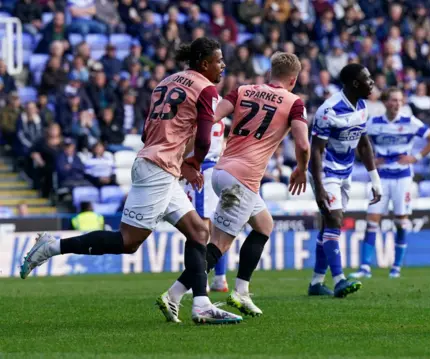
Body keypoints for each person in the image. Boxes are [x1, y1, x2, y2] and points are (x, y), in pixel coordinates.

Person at [19, 37, 242, 325]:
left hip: (155, 162)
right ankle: (52, 246)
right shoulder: (206, 89)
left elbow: (145, 134)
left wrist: (179, 161)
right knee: (128, 241)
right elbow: (203, 136)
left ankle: (195, 302)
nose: (222, 66)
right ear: (204, 63)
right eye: (218, 61)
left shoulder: (165, 83)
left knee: (199, 233)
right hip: (159, 168)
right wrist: (194, 162)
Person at [161, 51, 310, 319]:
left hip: (220, 171)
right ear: (294, 78)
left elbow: (210, 119)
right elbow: (302, 144)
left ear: (270, 72)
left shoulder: (243, 90)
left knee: (264, 225)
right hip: (244, 178)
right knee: (218, 245)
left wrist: (189, 155)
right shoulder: (294, 102)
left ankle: (241, 291)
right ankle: (174, 294)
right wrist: (301, 168)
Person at [349, 87, 430, 279]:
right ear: (385, 102)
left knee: (401, 221)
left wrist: (415, 157)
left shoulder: (410, 122)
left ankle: (396, 267)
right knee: (372, 220)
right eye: (393, 100)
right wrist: (370, 159)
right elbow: (355, 141)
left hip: (402, 177)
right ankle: (365, 267)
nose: (397, 103)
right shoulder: (373, 123)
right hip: (381, 177)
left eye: (400, 100)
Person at [307, 63, 381, 297]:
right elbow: (316, 150)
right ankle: (339, 279)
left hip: (346, 172)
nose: (372, 83)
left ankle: (317, 283)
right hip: (326, 172)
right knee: (335, 219)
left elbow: (363, 143)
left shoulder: (362, 106)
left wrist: (374, 178)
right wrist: (319, 187)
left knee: (328, 224)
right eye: (368, 79)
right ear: (355, 84)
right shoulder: (329, 110)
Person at [182, 119, 229, 293]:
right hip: (217, 166)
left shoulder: (199, 102)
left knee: (198, 227)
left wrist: (181, 161)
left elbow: (196, 135)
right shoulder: (220, 101)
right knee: (217, 228)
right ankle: (220, 278)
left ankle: (200, 279)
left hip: (201, 166)